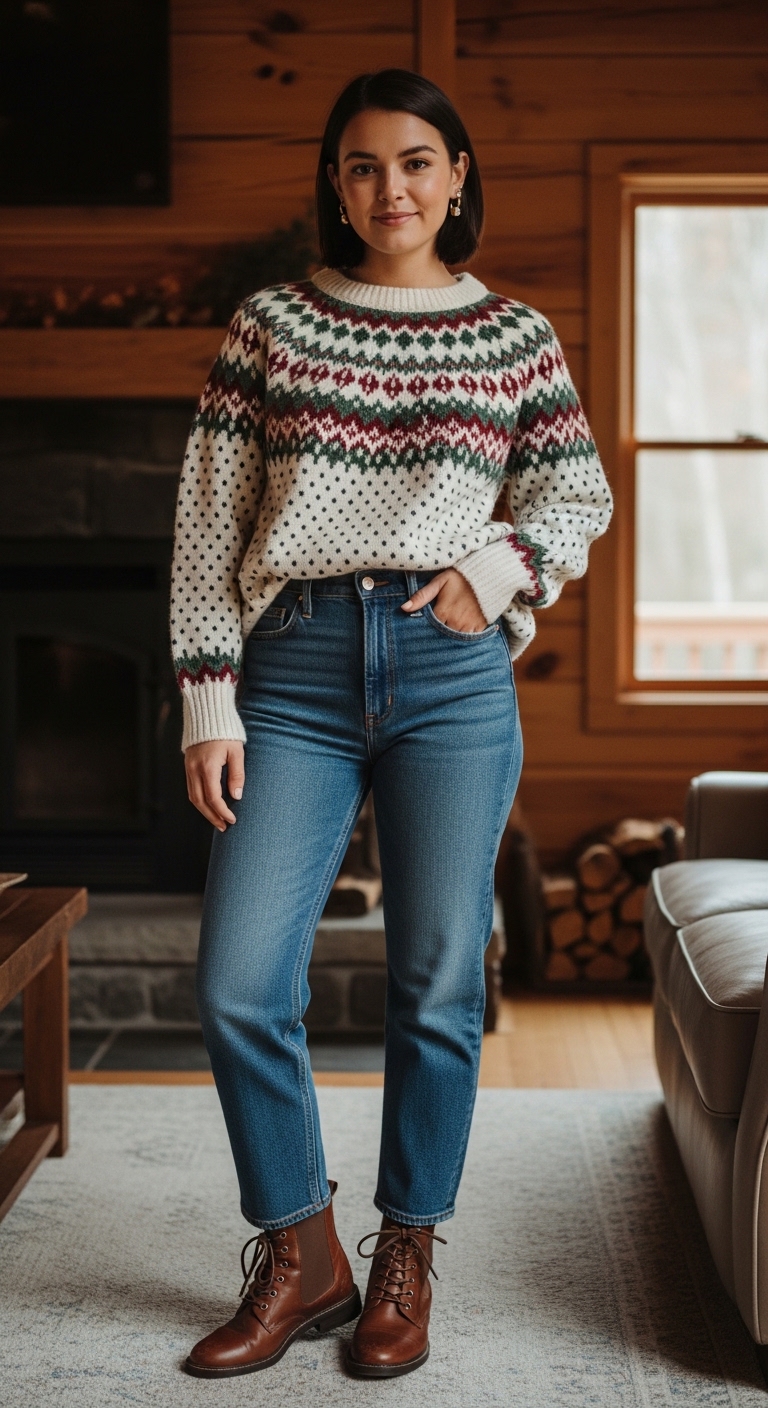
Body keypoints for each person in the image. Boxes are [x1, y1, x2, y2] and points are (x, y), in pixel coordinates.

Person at [170, 67, 612, 1380]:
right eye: (361, 166)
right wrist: (208, 696)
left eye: (417, 162)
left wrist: (498, 567)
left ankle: (406, 1251)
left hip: (452, 677)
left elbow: (576, 498)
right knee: (240, 981)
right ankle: (302, 1253)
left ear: (458, 175)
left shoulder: (515, 338)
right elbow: (206, 516)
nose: (390, 189)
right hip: (293, 669)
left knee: (437, 984)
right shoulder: (271, 327)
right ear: (335, 182)